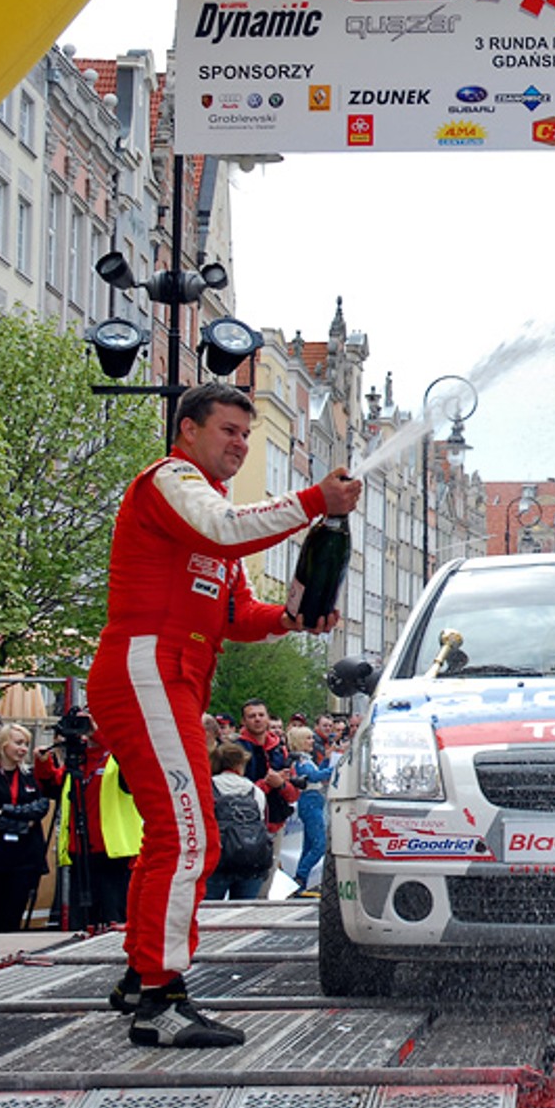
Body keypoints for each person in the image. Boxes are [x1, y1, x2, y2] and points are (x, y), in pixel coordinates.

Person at [86, 380, 359, 1049]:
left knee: (171, 834)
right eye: (228, 431)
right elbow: (228, 532)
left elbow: (235, 612)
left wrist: (292, 619)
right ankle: (160, 998)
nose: (239, 444)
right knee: (189, 835)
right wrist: (314, 502)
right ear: (187, 432)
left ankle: (140, 975)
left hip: (169, 678)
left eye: (245, 433)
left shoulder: (206, 508)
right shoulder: (171, 482)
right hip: (148, 668)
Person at [34, 710, 141, 929]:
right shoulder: (77, 762)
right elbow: (54, 785)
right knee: (81, 923)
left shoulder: (115, 757)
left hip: (114, 855)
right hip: (79, 853)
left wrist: (99, 733)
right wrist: (43, 763)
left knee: (116, 920)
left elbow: (131, 765)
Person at [0, 722, 52, 931]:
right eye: (18, 743)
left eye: (25, 744)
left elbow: (40, 807)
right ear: (3, 744)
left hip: (25, 859)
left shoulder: (31, 776)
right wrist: (22, 825)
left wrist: (7, 810)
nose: (23, 749)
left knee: (14, 916)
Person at [206, 743, 273, 901]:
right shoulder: (254, 790)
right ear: (240, 764)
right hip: (251, 860)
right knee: (244, 912)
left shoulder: (208, 786)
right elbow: (263, 823)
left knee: (208, 913)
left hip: (218, 859)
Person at [236, 699, 299, 833]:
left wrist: (281, 784)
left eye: (261, 715)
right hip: (244, 824)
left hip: (276, 823)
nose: (257, 719)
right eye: (252, 716)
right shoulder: (235, 750)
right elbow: (233, 793)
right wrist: (266, 784)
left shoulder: (280, 749)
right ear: (243, 721)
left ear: (268, 718)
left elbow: (294, 794)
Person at [286, 725, 333, 894]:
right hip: (311, 801)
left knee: (308, 845)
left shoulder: (306, 759)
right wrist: (336, 769)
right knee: (319, 845)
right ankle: (300, 876)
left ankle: (300, 884)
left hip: (314, 801)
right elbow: (313, 776)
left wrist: (327, 761)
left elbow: (317, 773)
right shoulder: (301, 761)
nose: (312, 741)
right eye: (308, 738)